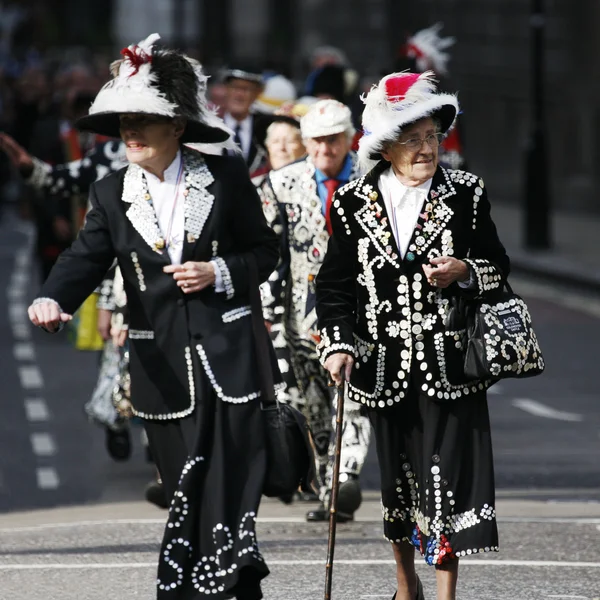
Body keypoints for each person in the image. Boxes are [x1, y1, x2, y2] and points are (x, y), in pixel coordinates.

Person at [28, 33, 280, 600]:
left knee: (228, 479)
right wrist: (54, 299)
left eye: (143, 120)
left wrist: (218, 272)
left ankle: (212, 584)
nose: (131, 133)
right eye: (123, 124)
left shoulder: (225, 176)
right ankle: (224, 585)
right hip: (160, 368)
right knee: (186, 482)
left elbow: (266, 253)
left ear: (177, 126)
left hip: (231, 362)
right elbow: (84, 258)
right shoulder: (111, 191)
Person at [315, 71, 510, 600]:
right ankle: (407, 586)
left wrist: (464, 269)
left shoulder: (466, 193)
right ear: (386, 145)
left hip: (451, 365)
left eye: (432, 137)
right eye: (413, 139)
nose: (426, 149)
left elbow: (498, 265)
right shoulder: (352, 202)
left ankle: (444, 595)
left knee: (444, 486)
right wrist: (337, 343)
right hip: (383, 369)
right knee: (399, 490)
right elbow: (333, 286)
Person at [264, 99, 371, 522]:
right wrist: (268, 313)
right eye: (318, 141)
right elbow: (269, 253)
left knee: (355, 396)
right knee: (314, 407)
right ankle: (330, 489)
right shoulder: (280, 183)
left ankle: (347, 475)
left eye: (334, 140)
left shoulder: (374, 175)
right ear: (306, 142)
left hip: (358, 311)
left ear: (349, 140)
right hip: (298, 317)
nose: (326, 149)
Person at [222, 66, 269, 177]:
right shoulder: (209, 125)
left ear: (258, 93)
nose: (239, 94)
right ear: (226, 89)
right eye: (235, 87)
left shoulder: (266, 127)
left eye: (247, 89)